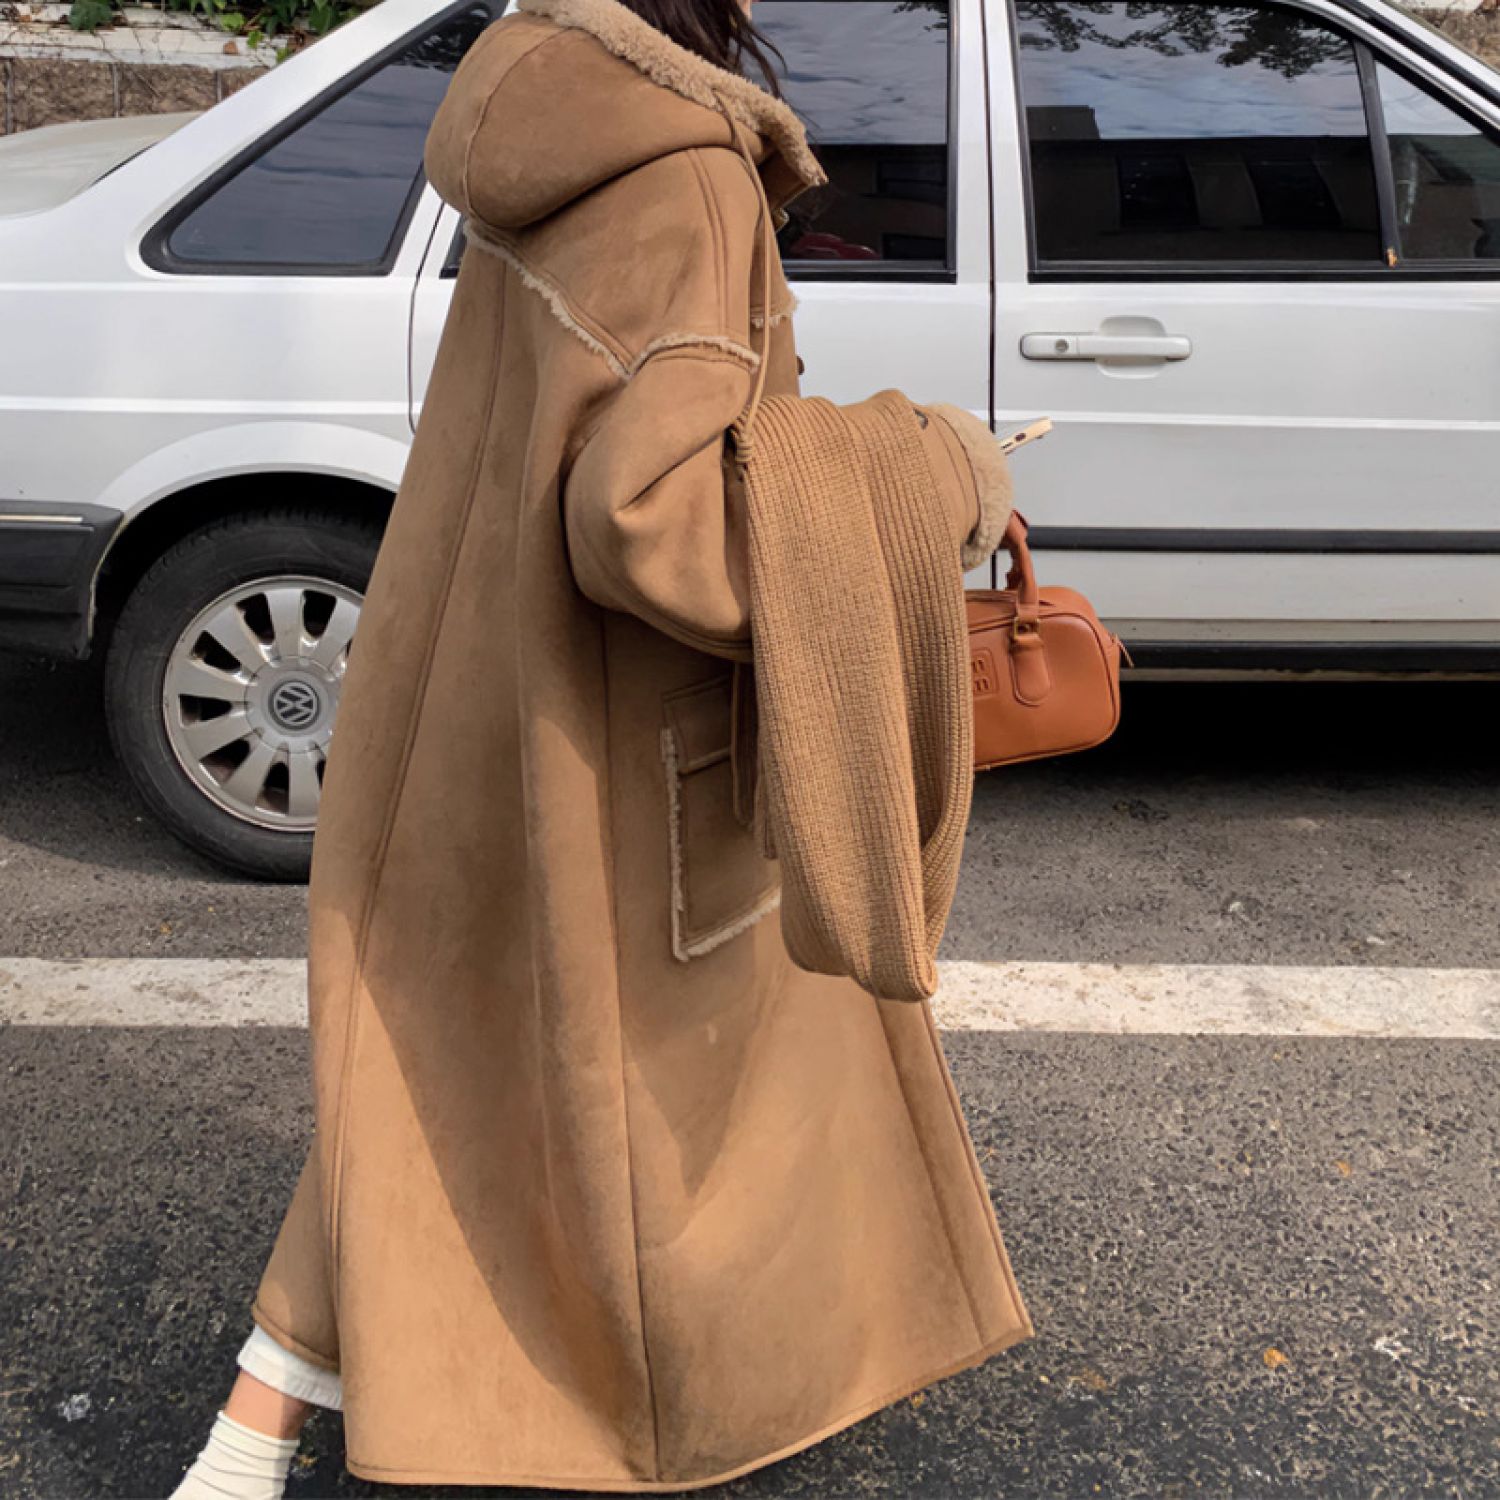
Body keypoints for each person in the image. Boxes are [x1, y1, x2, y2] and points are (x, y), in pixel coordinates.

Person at [171, 1, 1029, 1494]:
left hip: (471, 692)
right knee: (662, 1141)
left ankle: (248, 1443)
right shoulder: (686, 170)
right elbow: (649, 518)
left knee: (440, 1064)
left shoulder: (544, 114)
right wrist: (935, 468)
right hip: (615, 743)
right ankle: (638, 1421)